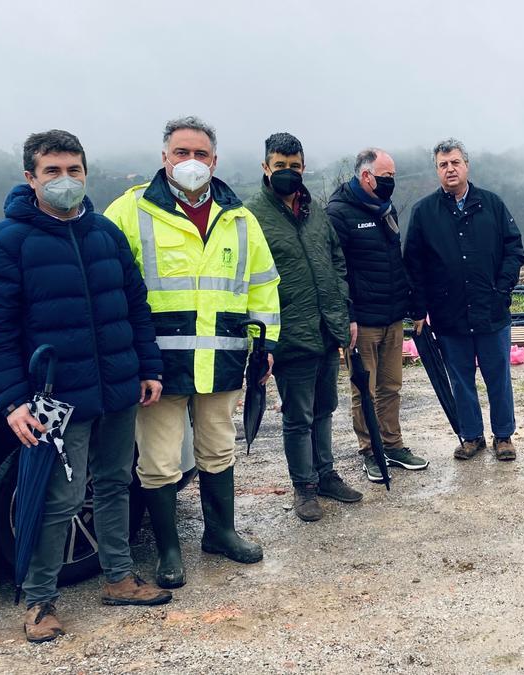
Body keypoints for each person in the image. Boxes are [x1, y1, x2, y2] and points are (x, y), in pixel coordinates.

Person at [0, 130, 172, 643]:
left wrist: (148, 367)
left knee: (114, 485)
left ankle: (120, 577)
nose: (65, 180)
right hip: (56, 397)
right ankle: (40, 601)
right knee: (57, 500)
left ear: (87, 173)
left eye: (74, 170)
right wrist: (13, 400)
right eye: (52, 171)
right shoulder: (5, 242)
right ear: (30, 178)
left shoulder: (104, 234)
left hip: (118, 387)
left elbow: (135, 307)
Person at [103, 117, 280, 588]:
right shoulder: (130, 210)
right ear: (165, 157)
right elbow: (108, 285)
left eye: (201, 154)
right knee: (159, 460)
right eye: (182, 153)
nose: (191, 162)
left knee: (218, 448)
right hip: (156, 366)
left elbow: (263, 286)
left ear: (215, 161)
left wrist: (266, 345)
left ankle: (220, 533)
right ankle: (168, 551)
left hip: (221, 361)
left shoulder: (240, 218)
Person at [245, 132, 363, 521]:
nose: (288, 173)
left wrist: (343, 312)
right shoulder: (252, 218)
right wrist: (261, 339)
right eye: (280, 166)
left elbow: (336, 262)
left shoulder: (316, 213)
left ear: (303, 167)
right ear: (265, 167)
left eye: (295, 166)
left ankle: (326, 474)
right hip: (288, 333)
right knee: (298, 416)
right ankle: (304, 487)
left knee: (325, 407)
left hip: (327, 328)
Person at [404, 139, 524, 461]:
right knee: (460, 379)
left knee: (497, 375)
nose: (450, 169)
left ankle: (503, 436)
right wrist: (420, 308)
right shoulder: (424, 213)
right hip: (449, 314)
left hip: (492, 311)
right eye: (443, 165)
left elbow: (514, 249)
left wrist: (502, 290)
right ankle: (471, 436)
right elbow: (412, 265)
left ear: (466, 165)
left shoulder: (492, 205)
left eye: (455, 162)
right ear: (437, 171)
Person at [327, 148, 429, 483]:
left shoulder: (386, 209)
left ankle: (393, 444)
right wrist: (349, 315)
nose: (391, 183)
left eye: (393, 176)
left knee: (391, 386)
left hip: (392, 316)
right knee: (364, 390)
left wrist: (412, 306)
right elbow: (336, 271)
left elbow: (396, 263)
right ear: (366, 176)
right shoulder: (339, 213)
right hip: (363, 323)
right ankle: (370, 451)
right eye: (386, 177)